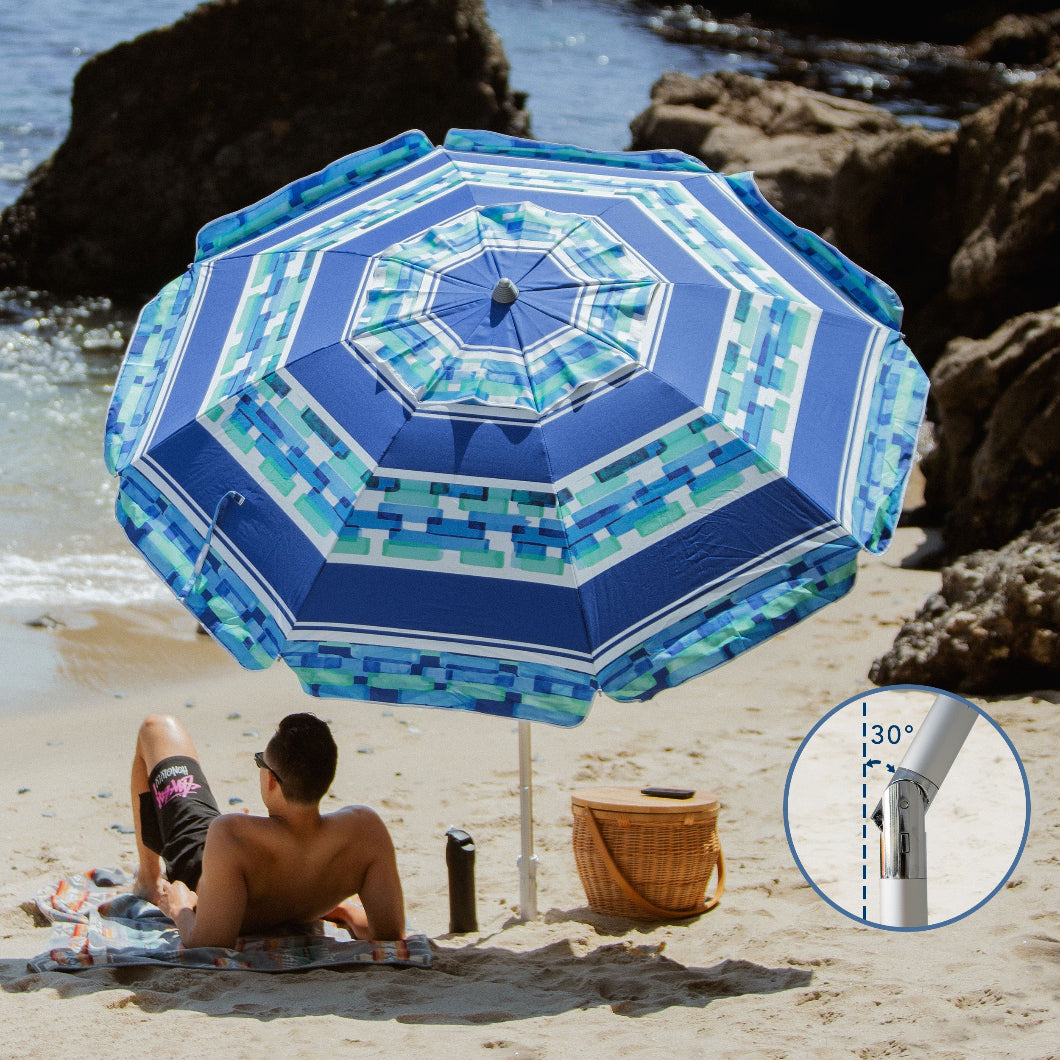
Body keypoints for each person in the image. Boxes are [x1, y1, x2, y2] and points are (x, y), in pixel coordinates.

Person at [130, 711, 405, 947]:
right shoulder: (365, 831)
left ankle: (149, 880)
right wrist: (344, 912)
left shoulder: (231, 834)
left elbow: (207, 942)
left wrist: (180, 909)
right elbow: (389, 933)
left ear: (271, 780)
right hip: (301, 903)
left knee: (155, 727)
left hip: (213, 877)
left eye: (261, 761)